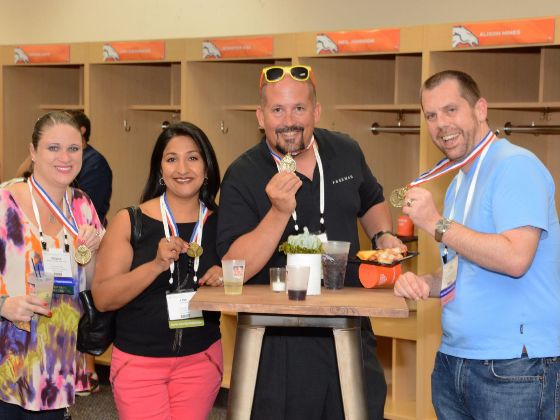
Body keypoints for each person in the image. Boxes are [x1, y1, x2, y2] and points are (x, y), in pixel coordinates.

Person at [217, 65, 404, 420]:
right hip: (277, 341)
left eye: (299, 108)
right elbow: (234, 269)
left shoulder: (345, 150)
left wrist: (382, 234)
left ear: (316, 112)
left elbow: (372, 200)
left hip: (349, 328)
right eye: (277, 110)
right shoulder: (243, 173)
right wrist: (277, 213)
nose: (289, 120)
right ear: (260, 116)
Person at [394, 70, 560, 419]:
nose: (441, 124)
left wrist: (436, 224)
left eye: (451, 110)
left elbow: (516, 258)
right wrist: (426, 283)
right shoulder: (459, 182)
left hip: (512, 366)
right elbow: (463, 269)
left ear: (480, 109)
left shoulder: (515, 166)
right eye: (431, 115)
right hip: (456, 360)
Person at [91, 122, 224, 420]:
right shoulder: (130, 221)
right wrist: (156, 266)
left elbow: (248, 282)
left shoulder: (222, 224)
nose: (182, 168)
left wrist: (227, 278)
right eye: (171, 158)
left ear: (206, 167)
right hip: (139, 363)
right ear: (160, 169)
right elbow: (103, 298)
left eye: (192, 157)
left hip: (200, 360)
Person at [0, 111, 104, 418]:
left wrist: (94, 253)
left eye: (74, 149)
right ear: (33, 152)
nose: (65, 157)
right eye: (53, 147)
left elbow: (95, 289)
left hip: (56, 366)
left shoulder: (83, 207)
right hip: (6, 360)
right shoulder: (5, 202)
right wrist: (3, 304)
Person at [67, 109, 113, 396]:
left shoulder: (95, 164)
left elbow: (90, 212)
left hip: (86, 243)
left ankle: (88, 370)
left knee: (86, 303)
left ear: (83, 133)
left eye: (71, 145)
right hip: (61, 251)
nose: (64, 154)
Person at [69, 110, 113, 227]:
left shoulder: (96, 164)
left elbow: (85, 208)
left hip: (87, 237)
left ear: (82, 131)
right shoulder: (62, 159)